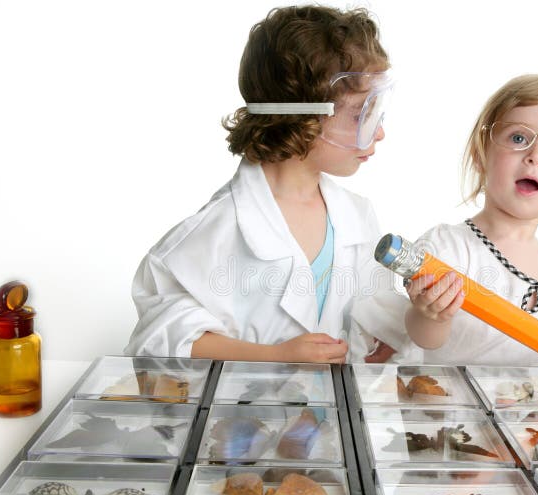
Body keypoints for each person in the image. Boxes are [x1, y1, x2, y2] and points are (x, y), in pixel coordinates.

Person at [124, 5, 394, 363]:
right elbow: (159, 341)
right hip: (243, 416)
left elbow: (377, 336)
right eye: (361, 113)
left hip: (332, 414)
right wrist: (275, 357)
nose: (379, 132)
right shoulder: (212, 233)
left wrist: (417, 321)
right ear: (302, 116)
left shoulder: (357, 217)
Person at [353, 74, 538, 388]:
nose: (536, 156)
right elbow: (422, 339)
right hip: (442, 427)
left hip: (530, 433)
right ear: (480, 156)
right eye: (518, 138)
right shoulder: (448, 249)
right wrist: (431, 316)